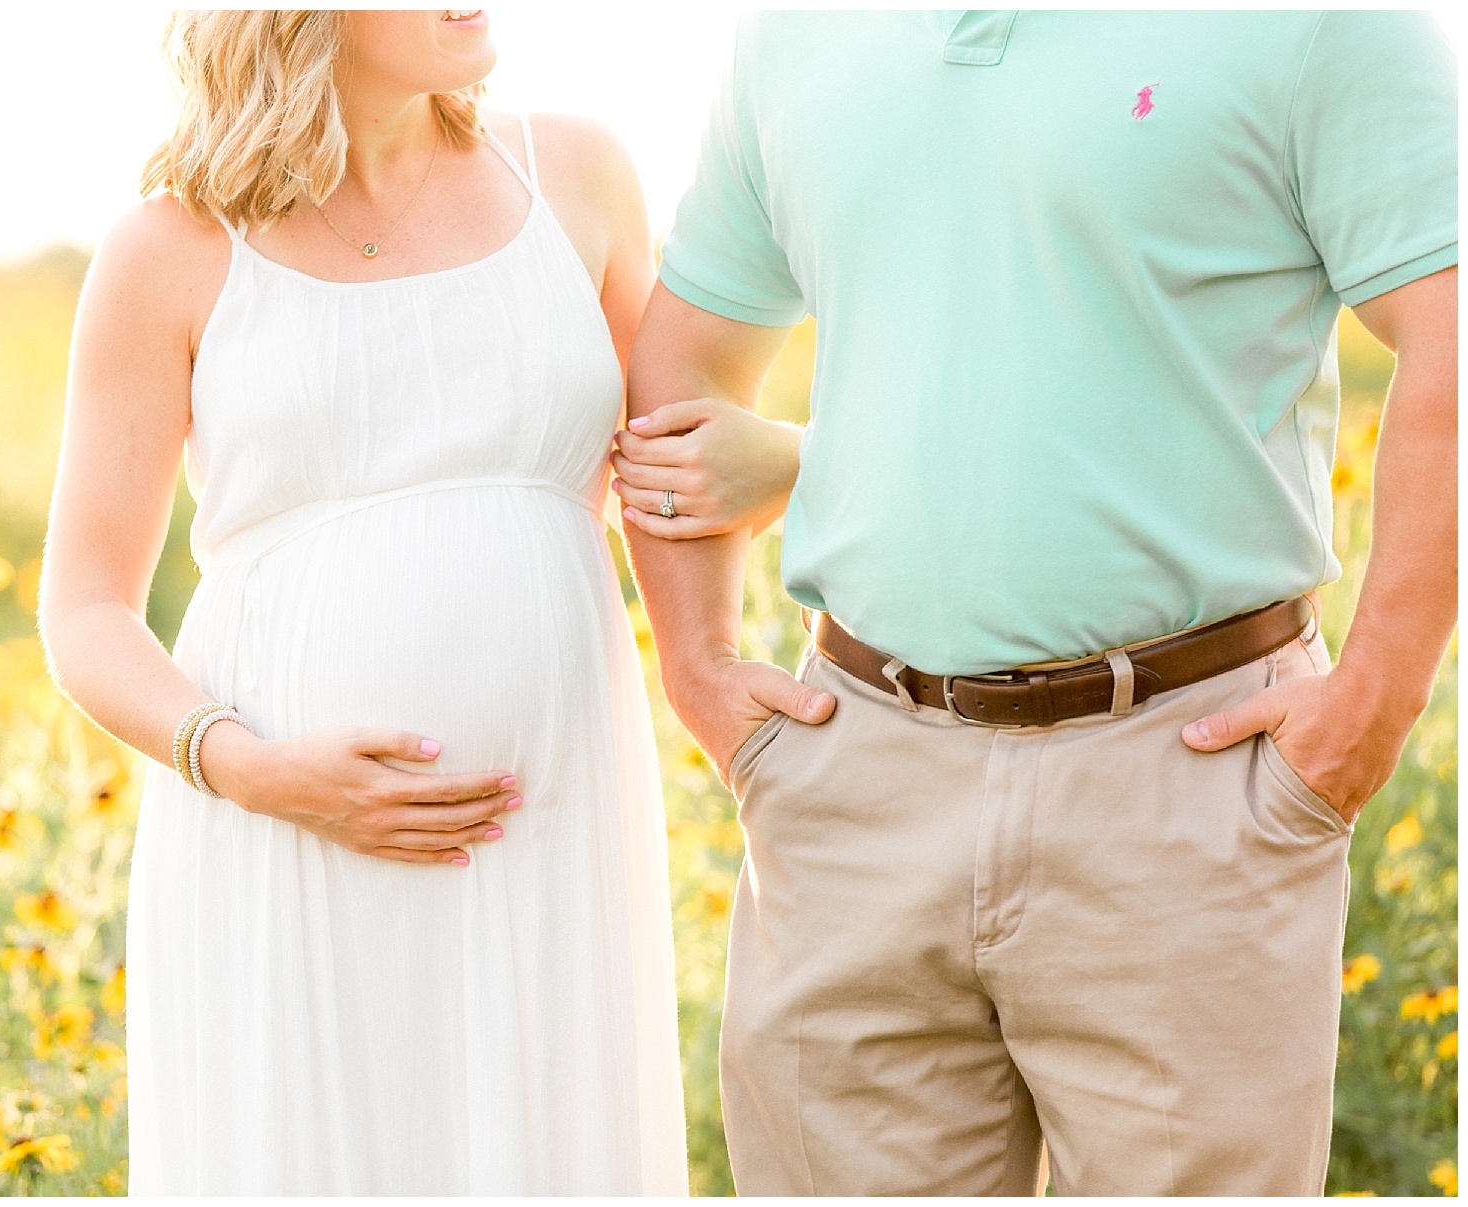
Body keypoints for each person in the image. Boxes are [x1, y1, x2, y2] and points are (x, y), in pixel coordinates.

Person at [615, 10, 1456, 1196]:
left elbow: (1451, 339)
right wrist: (700, 672)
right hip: (850, 784)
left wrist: (1376, 694)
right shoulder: (795, 34)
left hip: (1186, 784)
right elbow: (685, 362)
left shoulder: (1323, 24)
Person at [37, 10, 690, 1194]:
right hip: (285, 831)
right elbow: (83, 609)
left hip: (550, 827)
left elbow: (674, 478)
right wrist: (246, 766)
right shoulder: (172, 249)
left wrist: (721, 662)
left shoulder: (580, 177)